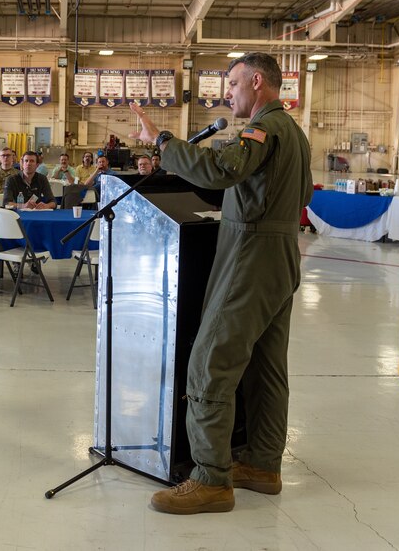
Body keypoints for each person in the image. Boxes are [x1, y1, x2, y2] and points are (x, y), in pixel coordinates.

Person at [131, 52, 312, 515]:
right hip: (280, 256)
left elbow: (221, 170)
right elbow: (298, 192)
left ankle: (211, 478)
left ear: (256, 81)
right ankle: (262, 464)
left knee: (210, 362)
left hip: (250, 258)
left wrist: (162, 142)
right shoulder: (293, 133)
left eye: (232, 84)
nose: (227, 93)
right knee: (266, 367)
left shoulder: (263, 129)